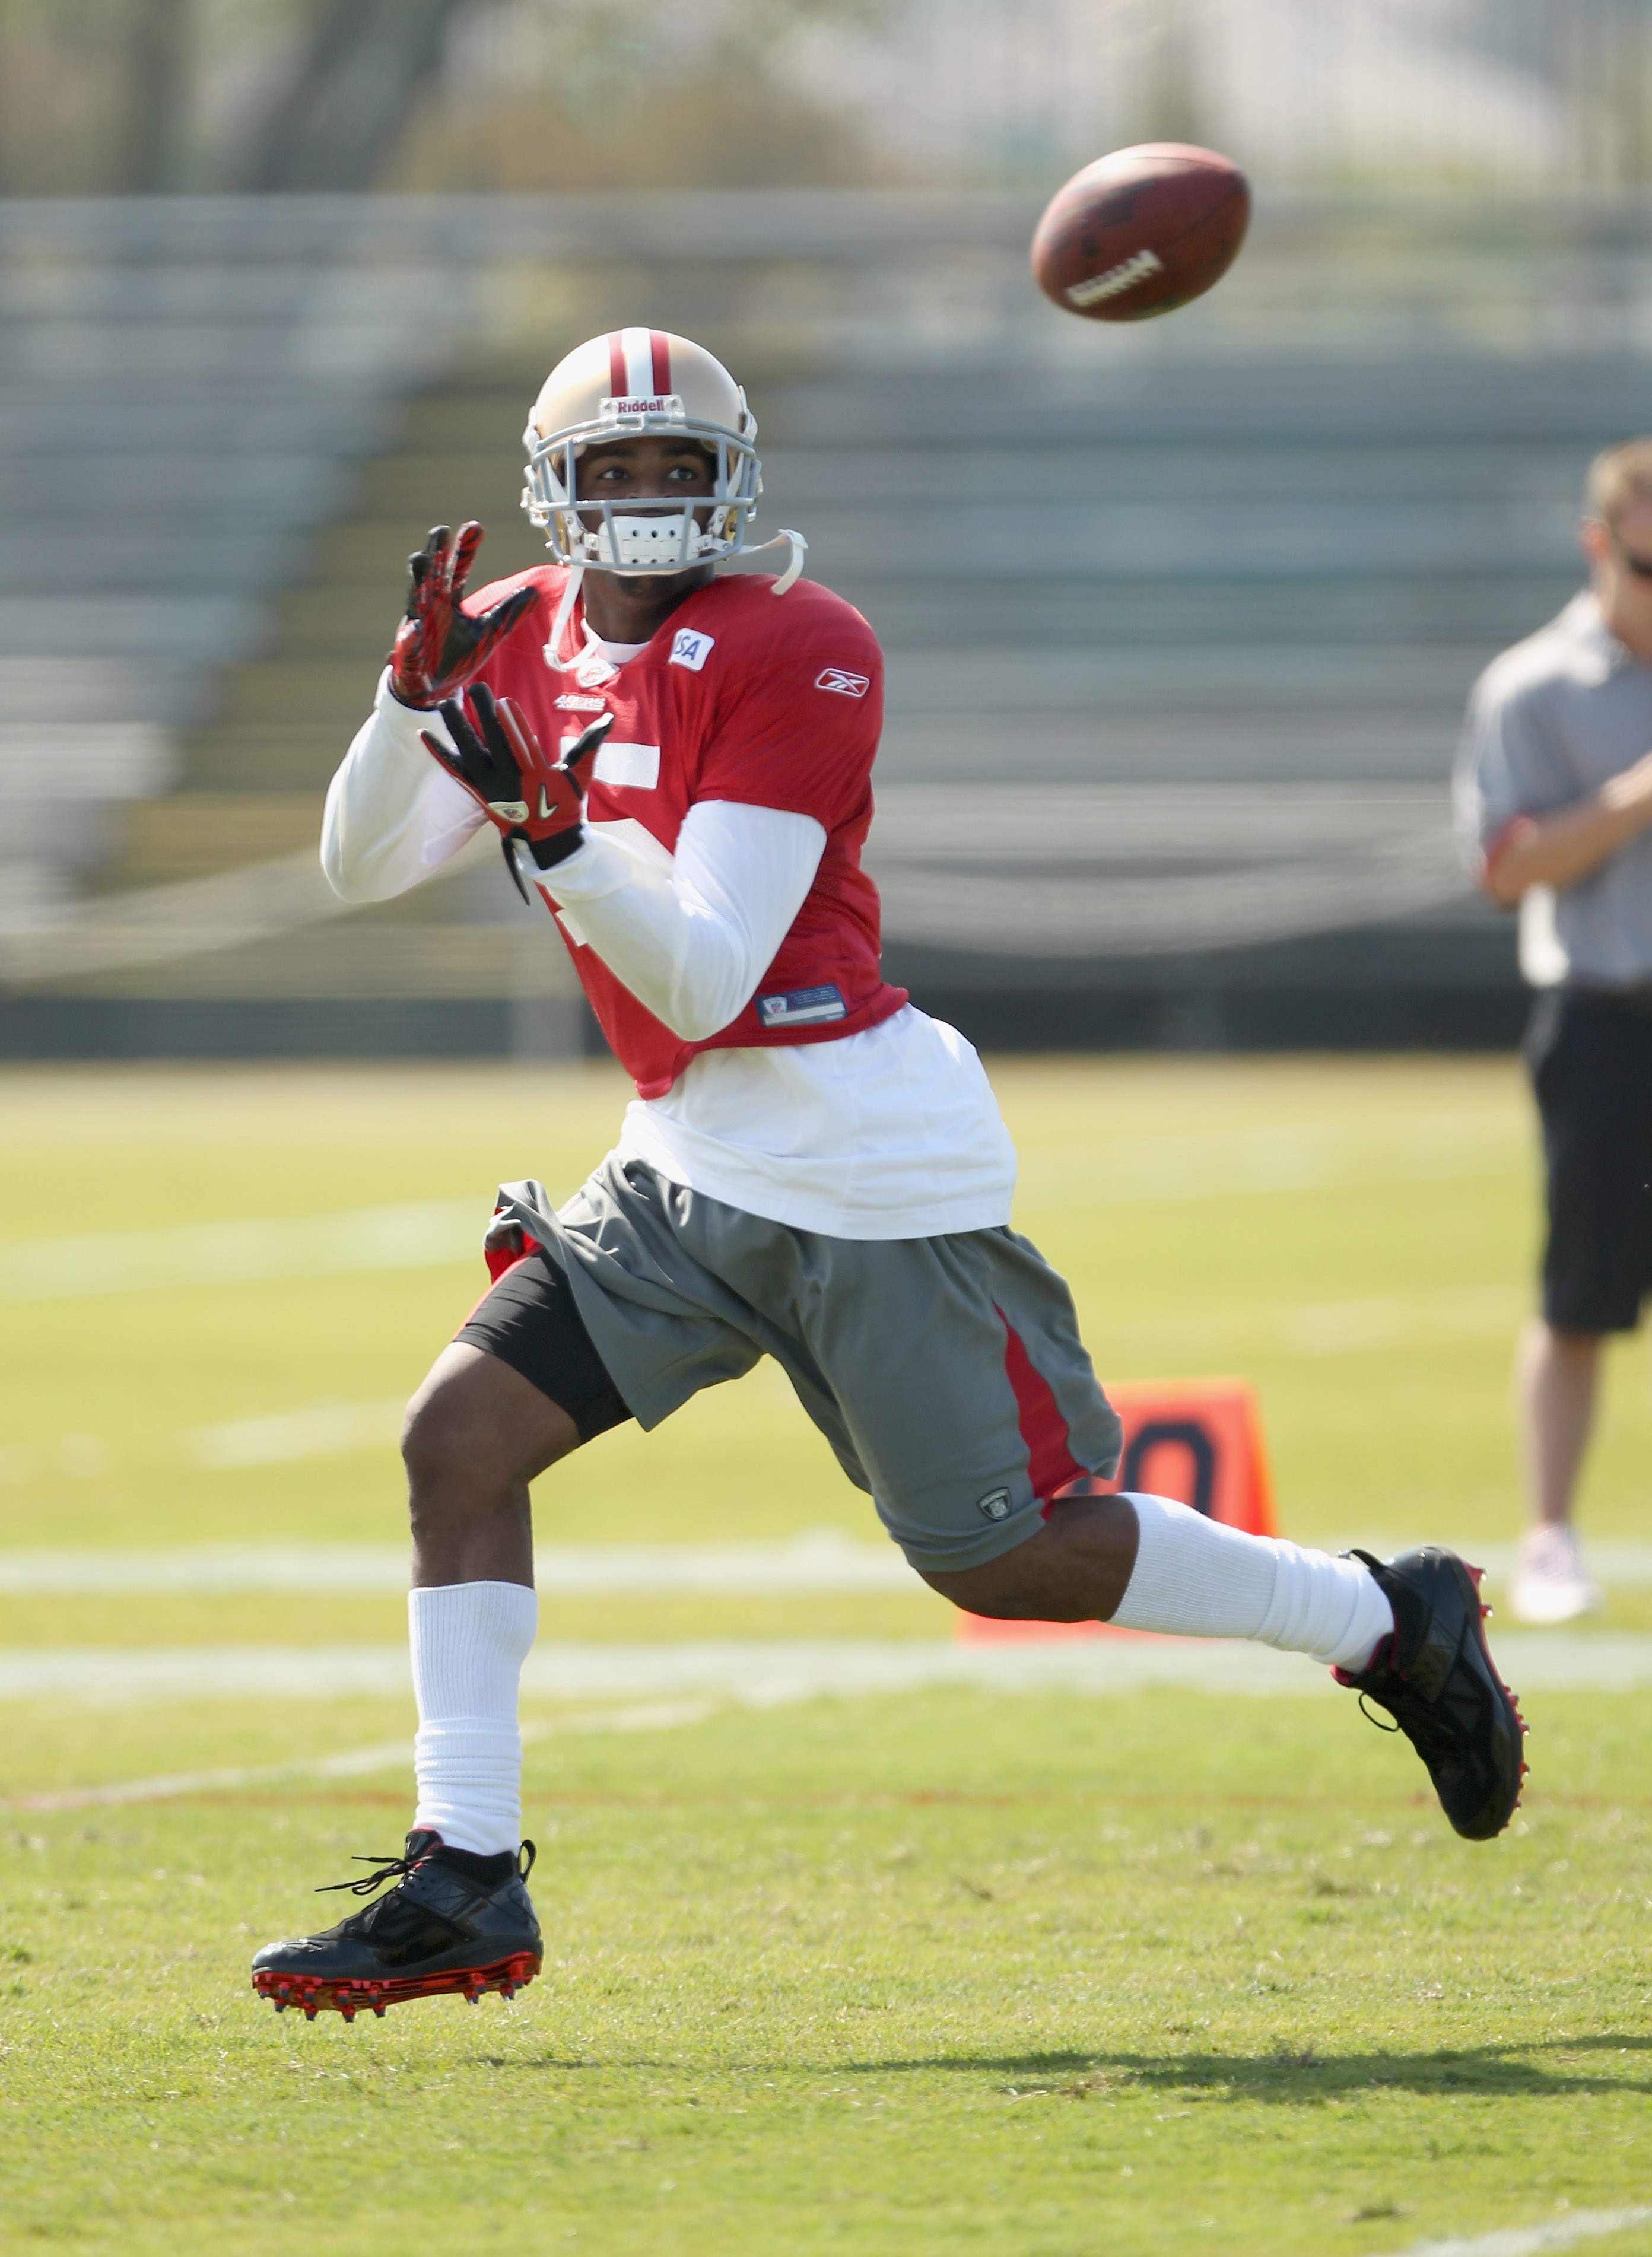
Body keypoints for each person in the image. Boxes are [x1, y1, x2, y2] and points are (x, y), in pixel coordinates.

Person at [250, 328, 1525, 2021]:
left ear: (733, 477)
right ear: (555, 484)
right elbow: (355, 863)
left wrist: (556, 834)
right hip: (684, 1154)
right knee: (458, 1437)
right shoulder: (517, 637)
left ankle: (1379, 1612)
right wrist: (407, 702)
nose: (643, 498)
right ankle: (462, 1870)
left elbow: (708, 970)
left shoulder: (800, 641)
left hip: (859, 1156)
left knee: (1001, 1557)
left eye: (673, 467)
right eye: (612, 468)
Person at [1456, 438, 1652, 1626]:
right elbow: (1506, 865)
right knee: (1579, 1294)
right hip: (1606, 1017)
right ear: (1601, 548)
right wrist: (1637, 794)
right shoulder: (1533, 688)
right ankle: (1549, 1534)